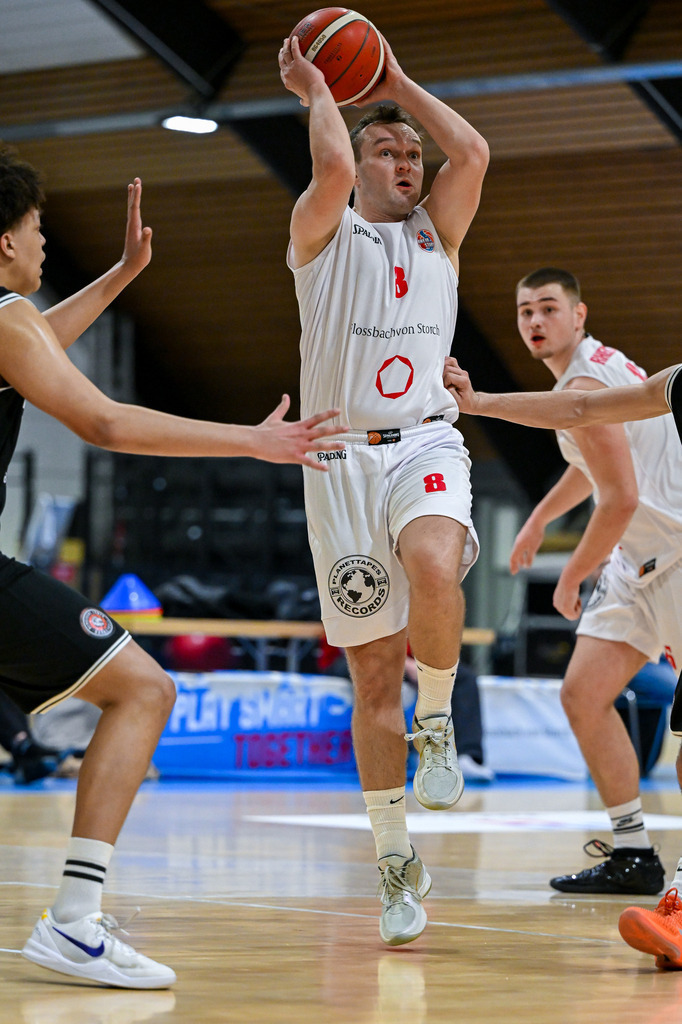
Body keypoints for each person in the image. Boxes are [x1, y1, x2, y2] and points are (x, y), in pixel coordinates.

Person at [0, 142, 345, 989]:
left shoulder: (12, 326)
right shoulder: (6, 316)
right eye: (38, 227)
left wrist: (120, 275)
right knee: (144, 690)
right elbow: (105, 423)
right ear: (7, 241)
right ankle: (75, 920)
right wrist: (254, 441)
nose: (43, 243)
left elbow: (37, 344)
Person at [278, 31, 488, 946]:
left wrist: (394, 77)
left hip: (424, 440)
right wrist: (320, 91)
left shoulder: (439, 233)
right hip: (339, 461)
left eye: (412, 153)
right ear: (359, 166)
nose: (408, 163)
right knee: (370, 676)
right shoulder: (322, 235)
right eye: (388, 151)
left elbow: (472, 151)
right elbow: (328, 163)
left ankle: (435, 720)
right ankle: (395, 861)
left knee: (435, 562)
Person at [446, 352, 682, 967]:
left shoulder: (590, 367)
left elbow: (619, 491)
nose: (534, 320)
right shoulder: (663, 382)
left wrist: (574, 570)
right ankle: (640, 858)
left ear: (579, 316)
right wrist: (481, 403)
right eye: (526, 310)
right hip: (638, 564)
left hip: (673, 557)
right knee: (584, 694)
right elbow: (581, 412)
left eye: (548, 308)